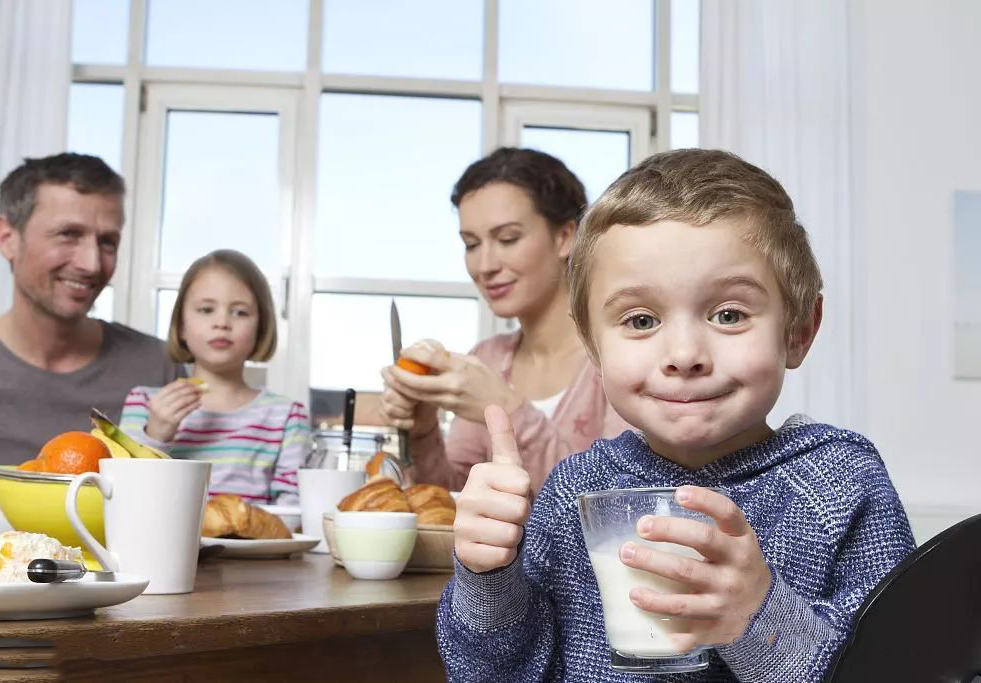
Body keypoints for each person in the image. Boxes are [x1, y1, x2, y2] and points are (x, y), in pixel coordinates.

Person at [435, 149, 916, 681]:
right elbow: (492, 673)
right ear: (593, 346)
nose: (684, 354)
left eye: (728, 314)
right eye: (641, 320)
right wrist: (487, 577)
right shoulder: (574, 490)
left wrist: (760, 619)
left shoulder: (841, 485)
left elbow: (901, 666)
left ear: (798, 329)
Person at [379, 147, 630, 493]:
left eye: (507, 239)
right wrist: (423, 431)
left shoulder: (618, 355)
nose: (484, 265)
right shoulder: (487, 358)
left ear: (565, 237)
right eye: (471, 244)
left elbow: (615, 500)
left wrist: (505, 408)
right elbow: (455, 500)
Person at [0, 153, 183, 478]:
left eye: (108, 242)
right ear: (8, 238)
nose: (91, 264)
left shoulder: (159, 368)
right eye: (68, 234)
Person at [119, 250, 309, 505]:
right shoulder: (144, 404)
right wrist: (156, 435)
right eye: (206, 309)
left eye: (240, 312)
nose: (222, 322)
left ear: (261, 328)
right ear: (182, 326)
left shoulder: (285, 416)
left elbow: (293, 508)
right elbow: (124, 496)